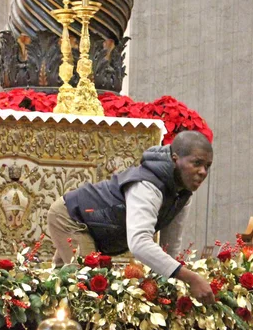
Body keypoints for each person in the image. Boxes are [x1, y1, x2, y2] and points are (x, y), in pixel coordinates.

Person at [47, 130, 215, 304]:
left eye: (207, 166)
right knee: (90, 292)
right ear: (175, 159)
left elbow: (170, 245)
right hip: (71, 217)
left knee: (60, 286)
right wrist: (191, 278)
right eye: (197, 163)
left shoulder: (182, 194)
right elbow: (139, 243)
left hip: (94, 227)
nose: (203, 172)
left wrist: (169, 287)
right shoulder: (147, 185)